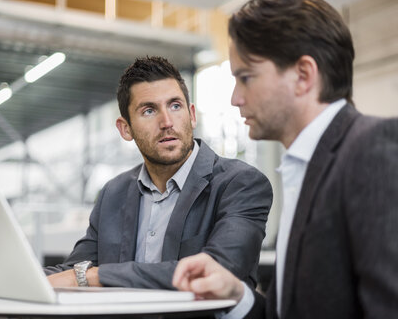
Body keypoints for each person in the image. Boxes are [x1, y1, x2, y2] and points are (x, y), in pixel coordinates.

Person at [173, 0, 398, 318]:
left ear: (303, 75)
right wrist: (236, 294)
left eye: (245, 77)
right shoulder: (304, 168)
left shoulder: (375, 148)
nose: (235, 98)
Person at [44, 56, 273, 291]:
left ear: (192, 115)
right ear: (125, 129)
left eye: (175, 106)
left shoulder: (241, 184)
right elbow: (74, 270)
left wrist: (95, 276)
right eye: (149, 111)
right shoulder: (113, 193)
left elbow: (216, 271)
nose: (166, 122)